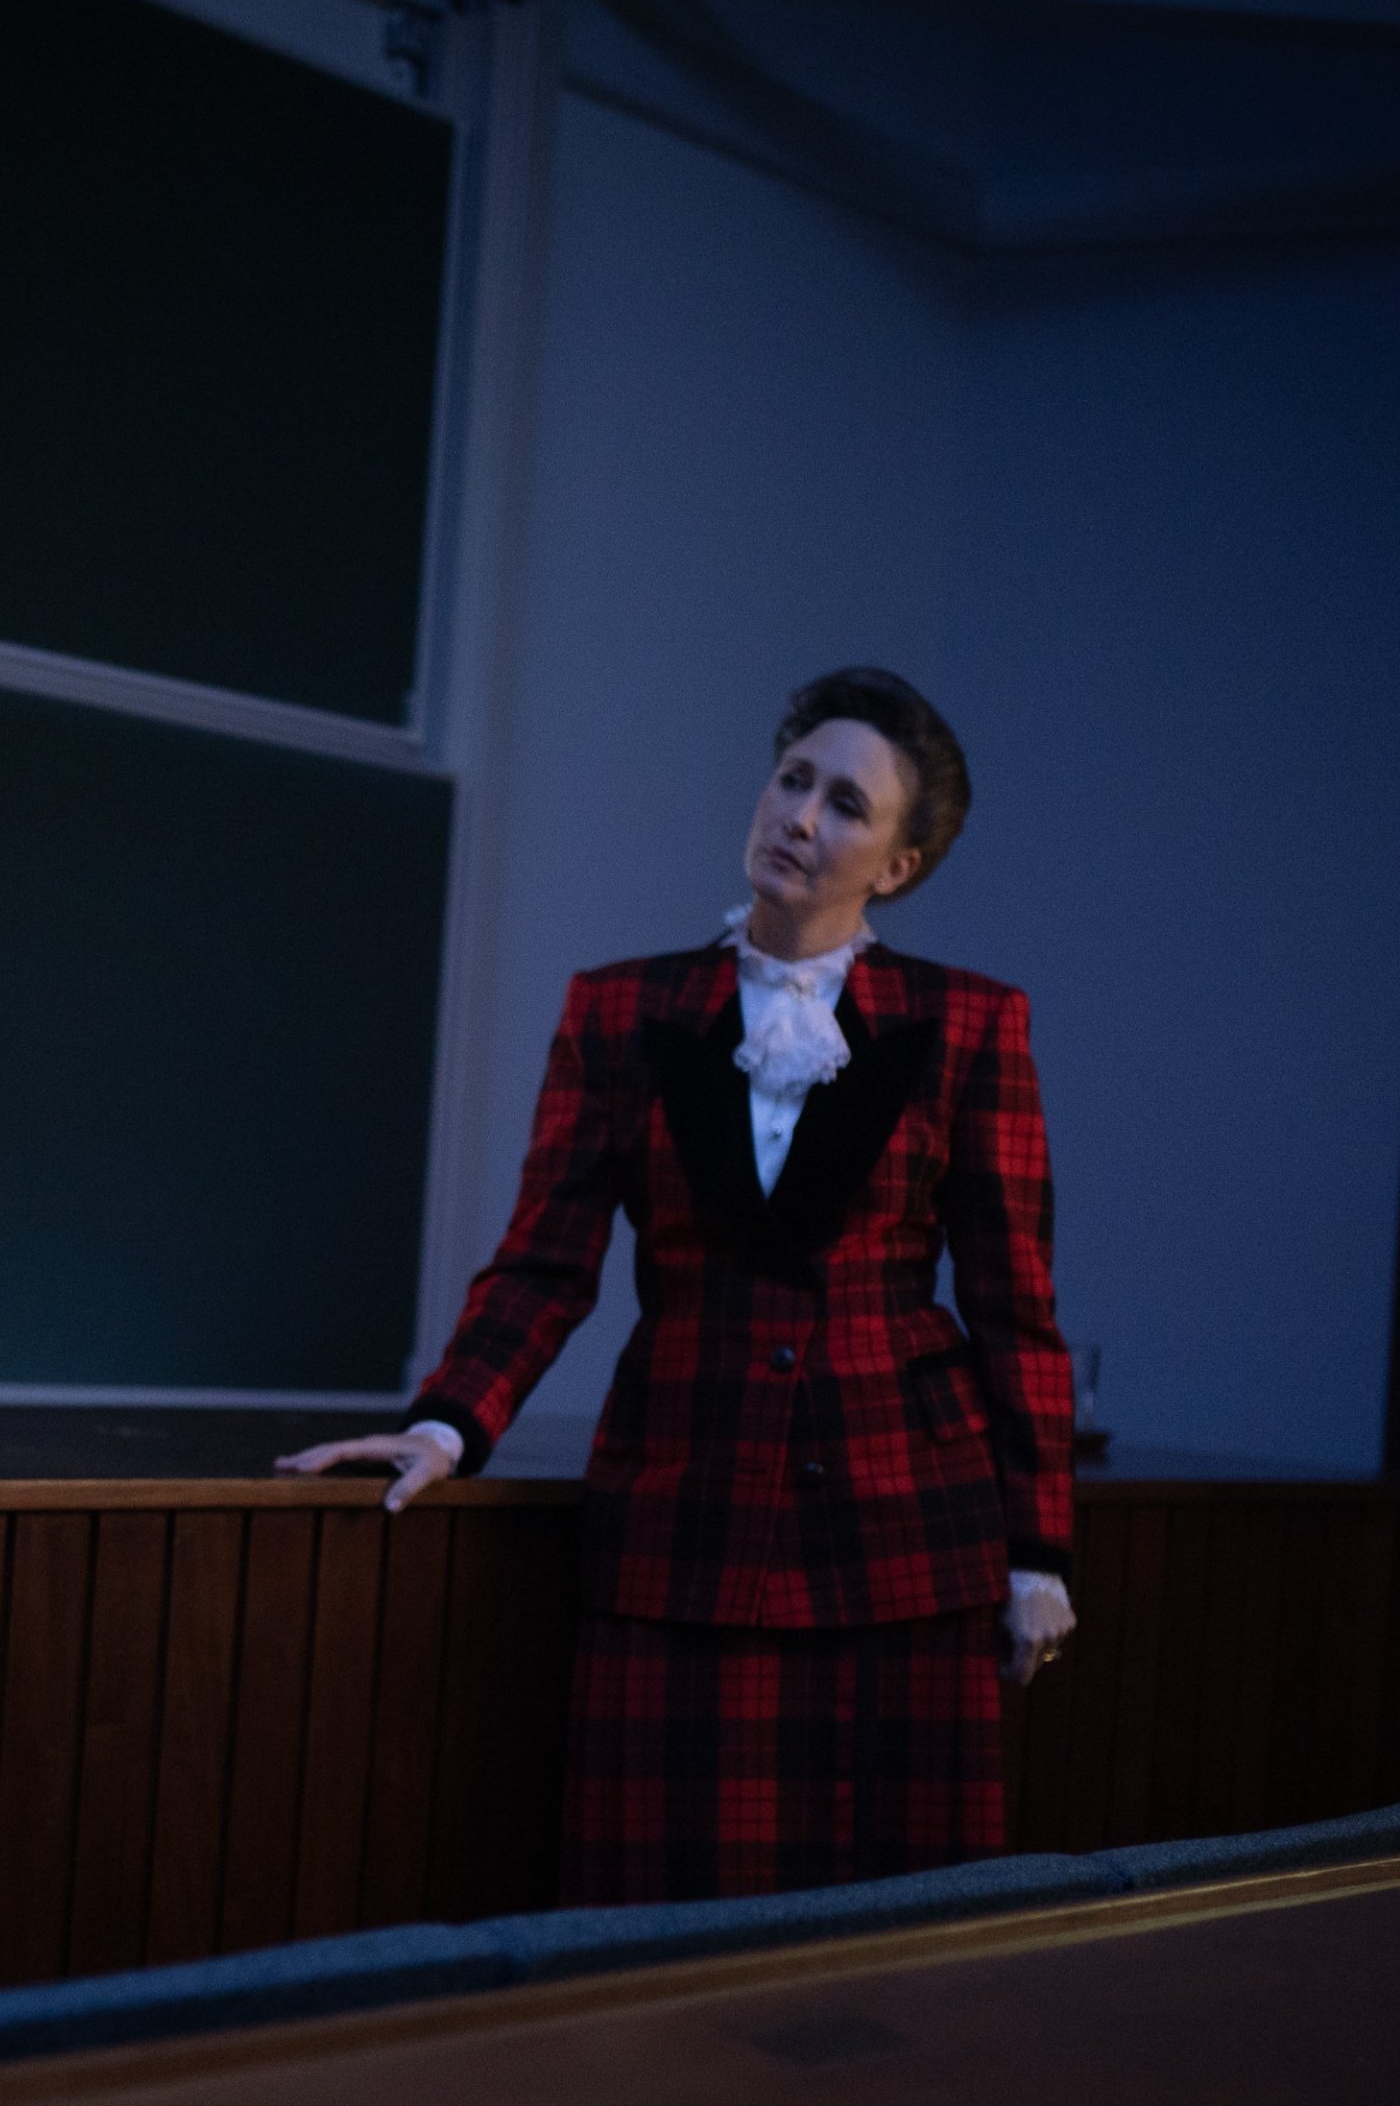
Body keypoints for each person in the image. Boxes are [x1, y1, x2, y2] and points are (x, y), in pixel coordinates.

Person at [283, 668, 1075, 1902]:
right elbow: (545, 1261)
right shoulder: (621, 1010)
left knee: (901, 1940)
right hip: (684, 1521)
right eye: (792, 779)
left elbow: (1016, 1309)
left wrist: (1037, 1550)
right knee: (658, 1924)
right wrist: (446, 1426)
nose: (799, 815)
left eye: (846, 804)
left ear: (898, 864)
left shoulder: (971, 1026)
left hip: (907, 1534)